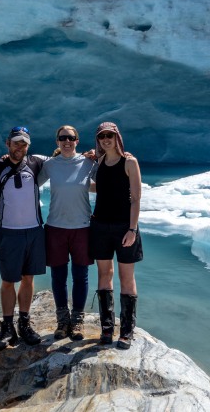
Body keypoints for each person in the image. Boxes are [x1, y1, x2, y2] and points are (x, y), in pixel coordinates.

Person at [0, 126, 47, 351]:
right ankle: (6, 326)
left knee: (28, 278)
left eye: (23, 143)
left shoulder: (35, 163)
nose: (19, 147)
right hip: (9, 232)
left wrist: (93, 155)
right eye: (16, 143)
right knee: (7, 281)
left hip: (34, 230)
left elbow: (63, 156)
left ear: (28, 145)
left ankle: (24, 322)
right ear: (8, 143)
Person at [38, 125, 96, 341]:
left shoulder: (89, 163)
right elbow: (30, 184)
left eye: (71, 138)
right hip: (56, 227)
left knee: (81, 276)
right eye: (62, 138)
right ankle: (63, 321)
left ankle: (78, 320)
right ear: (57, 141)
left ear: (77, 141)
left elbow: (107, 180)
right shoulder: (50, 165)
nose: (67, 141)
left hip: (82, 227)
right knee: (58, 276)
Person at [90, 121, 143, 349]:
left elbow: (136, 198)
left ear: (117, 137)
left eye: (110, 135)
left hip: (124, 227)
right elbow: (101, 187)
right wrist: (75, 184)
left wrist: (132, 229)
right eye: (102, 136)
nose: (106, 139)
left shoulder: (129, 162)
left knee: (126, 277)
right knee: (104, 275)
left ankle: (127, 331)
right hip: (100, 225)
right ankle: (107, 328)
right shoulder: (100, 161)